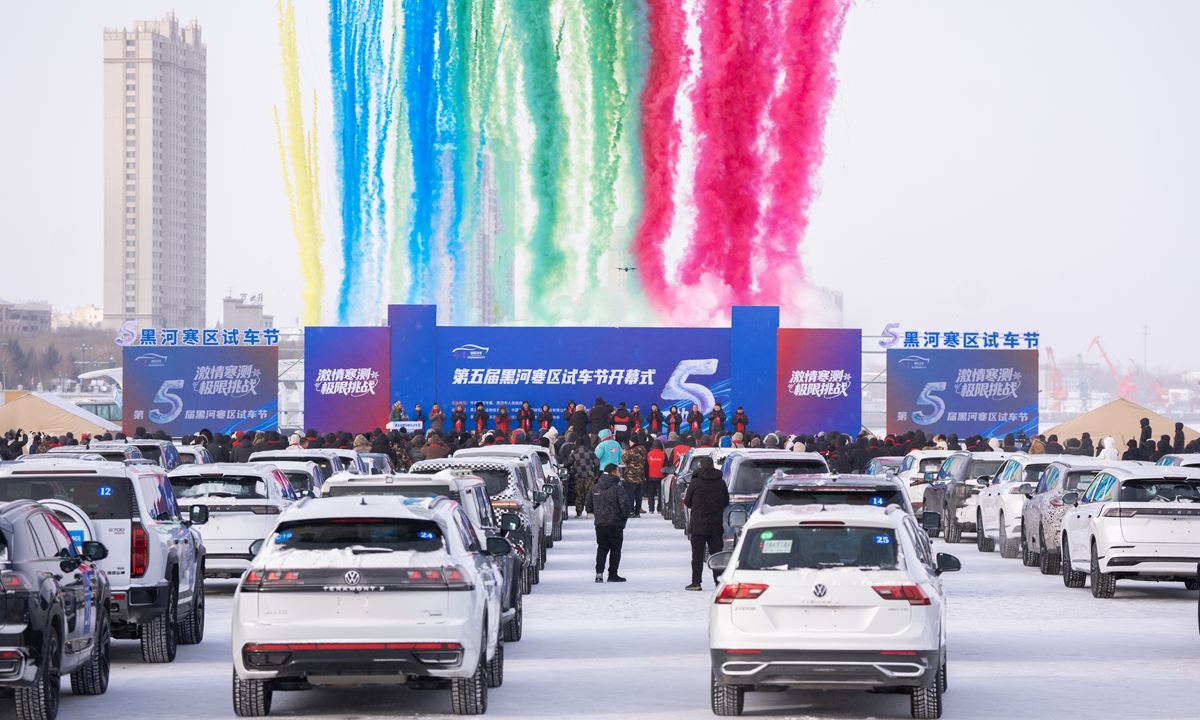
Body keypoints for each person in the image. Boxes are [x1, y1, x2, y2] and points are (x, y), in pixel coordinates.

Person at [684, 455, 729, 591]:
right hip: (715, 524)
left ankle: (696, 582)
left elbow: (687, 502)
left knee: (697, 555)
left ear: (700, 466)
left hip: (698, 524)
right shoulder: (720, 482)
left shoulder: (695, 483)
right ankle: (718, 581)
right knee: (716, 555)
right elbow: (725, 502)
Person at [586, 464, 630, 583]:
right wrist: (623, 518)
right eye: (618, 471)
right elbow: (625, 506)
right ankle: (613, 574)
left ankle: (599, 573)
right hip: (615, 524)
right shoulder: (618, 488)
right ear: (613, 473)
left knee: (602, 548)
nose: (620, 474)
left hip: (600, 523)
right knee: (615, 549)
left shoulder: (595, 488)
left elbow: (588, 505)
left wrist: (598, 513)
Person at [570, 436, 601, 518]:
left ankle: (579, 513)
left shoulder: (574, 453)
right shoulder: (590, 452)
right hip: (589, 476)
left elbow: (568, 463)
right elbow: (597, 463)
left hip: (578, 476)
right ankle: (589, 512)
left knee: (579, 495)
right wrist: (596, 473)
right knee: (589, 494)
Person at [622, 439, 648, 517]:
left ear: (633, 442)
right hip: (641, 476)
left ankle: (631, 511)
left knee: (630, 495)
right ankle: (637, 512)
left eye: (630, 441)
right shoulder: (643, 450)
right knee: (638, 495)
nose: (629, 443)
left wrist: (624, 453)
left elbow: (624, 459)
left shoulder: (632, 451)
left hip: (631, 476)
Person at [646, 439, 666, 514]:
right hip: (661, 477)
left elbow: (646, 466)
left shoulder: (649, 454)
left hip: (651, 476)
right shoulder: (663, 454)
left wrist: (646, 476)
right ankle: (659, 509)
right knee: (660, 494)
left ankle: (651, 509)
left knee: (651, 494)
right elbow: (666, 466)